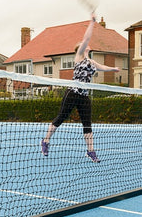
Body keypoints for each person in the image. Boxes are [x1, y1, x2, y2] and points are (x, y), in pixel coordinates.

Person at [41, 12, 120, 163]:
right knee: (60, 118)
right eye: (84, 44)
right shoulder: (79, 56)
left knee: (87, 123)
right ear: (80, 47)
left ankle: (90, 151)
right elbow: (86, 38)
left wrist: (112, 69)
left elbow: (101, 67)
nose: (86, 45)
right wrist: (91, 22)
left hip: (84, 96)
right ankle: (45, 141)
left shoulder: (91, 62)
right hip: (72, 93)